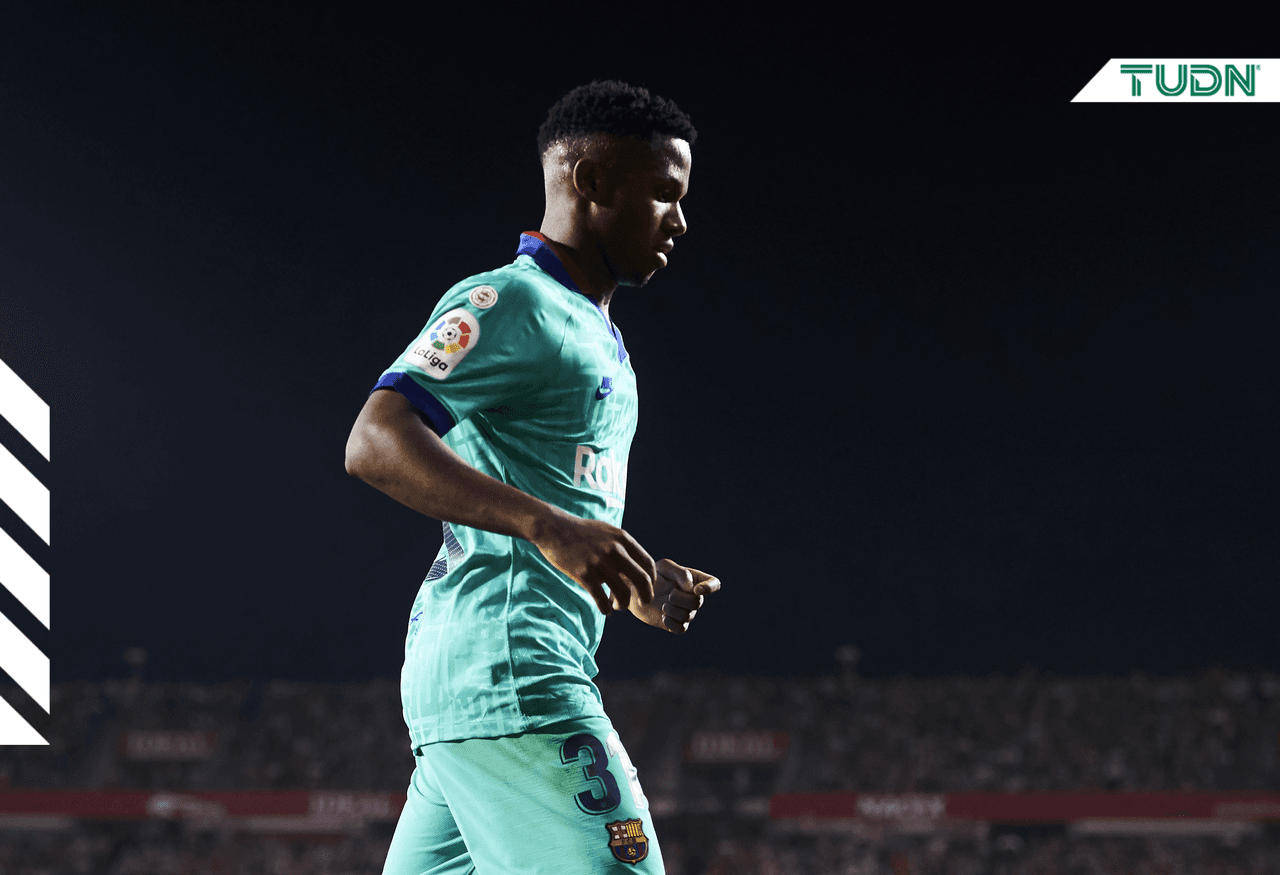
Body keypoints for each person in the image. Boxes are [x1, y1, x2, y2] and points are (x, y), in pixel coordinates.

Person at [345, 80, 720, 874]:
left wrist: (633, 575)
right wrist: (547, 526)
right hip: (517, 676)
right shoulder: (513, 300)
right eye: (663, 192)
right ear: (591, 181)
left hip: (478, 686)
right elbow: (375, 438)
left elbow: (554, 501)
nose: (679, 219)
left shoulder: (596, 332)